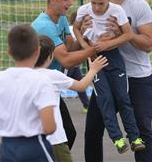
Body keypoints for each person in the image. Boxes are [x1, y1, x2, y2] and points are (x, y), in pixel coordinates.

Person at [83, 0, 152, 162]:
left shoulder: (139, 6)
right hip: (106, 74)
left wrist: (124, 34)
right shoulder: (93, 7)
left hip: (137, 77)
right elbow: (83, 37)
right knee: (92, 131)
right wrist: (84, 34)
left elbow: (148, 44)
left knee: (142, 131)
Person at [74, 0, 145, 154]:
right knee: (104, 99)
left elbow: (128, 35)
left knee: (122, 98)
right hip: (95, 59)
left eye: (101, 3)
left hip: (113, 57)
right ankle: (118, 139)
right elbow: (75, 29)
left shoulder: (117, 10)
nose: (97, 7)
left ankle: (134, 137)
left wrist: (108, 44)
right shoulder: (83, 10)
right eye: (93, 3)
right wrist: (85, 46)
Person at [31, 0, 96, 150]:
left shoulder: (61, 19)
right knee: (57, 136)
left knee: (66, 134)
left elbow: (70, 48)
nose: (71, 3)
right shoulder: (44, 26)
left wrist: (82, 31)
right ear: (53, 0)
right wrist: (94, 50)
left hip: (50, 86)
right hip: (37, 89)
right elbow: (66, 60)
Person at [0, 24, 57, 162]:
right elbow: (49, 127)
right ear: (37, 51)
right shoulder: (42, 80)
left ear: (9, 52)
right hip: (35, 147)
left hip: (7, 149)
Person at [35, 34, 107, 162]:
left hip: (33, 140)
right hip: (55, 139)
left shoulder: (23, 76)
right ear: (51, 56)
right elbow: (81, 86)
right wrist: (93, 70)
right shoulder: (53, 75)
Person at [67, 11, 90, 114]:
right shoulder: (73, 30)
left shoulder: (70, 29)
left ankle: (87, 105)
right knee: (79, 85)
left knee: (80, 85)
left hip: (74, 64)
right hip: (70, 64)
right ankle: (87, 105)